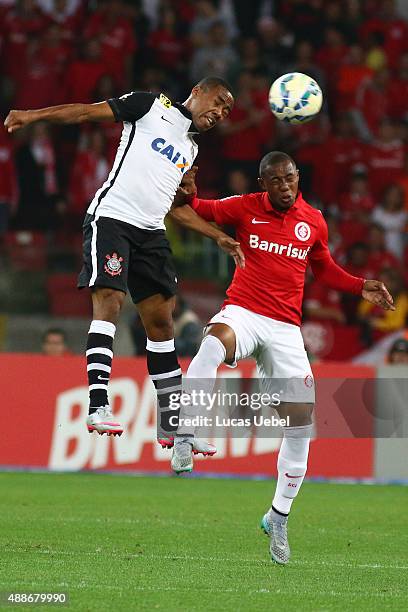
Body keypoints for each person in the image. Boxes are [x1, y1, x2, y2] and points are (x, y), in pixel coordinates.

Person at [171, 152, 394, 565]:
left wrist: (359, 285)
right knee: (211, 344)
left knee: (301, 426)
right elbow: (193, 208)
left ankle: (278, 516)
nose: (285, 186)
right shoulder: (244, 206)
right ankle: (185, 433)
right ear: (263, 183)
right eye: (275, 180)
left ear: (297, 177)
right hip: (244, 311)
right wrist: (187, 189)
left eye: (290, 178)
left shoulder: (314, 220)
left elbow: (323, 268)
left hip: (286, 328)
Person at [5, 76, 242, 453]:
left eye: (227, 111)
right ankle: (98, 404)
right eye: (218, 102)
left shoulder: (190, 149)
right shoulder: (149, 106)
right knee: (110, 301)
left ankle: (171, 425)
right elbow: (86, 112)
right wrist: (32, 116)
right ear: (197, 92)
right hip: (113, 219)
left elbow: (176, 208)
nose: (220, 113)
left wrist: (217, 236)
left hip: (151, 233)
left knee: (163, 322)